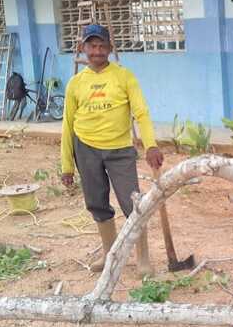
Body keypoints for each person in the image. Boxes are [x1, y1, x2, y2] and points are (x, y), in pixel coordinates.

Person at [60, 24, 163, 278]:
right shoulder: (76, 83)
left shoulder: (124, 76)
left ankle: (143, 258)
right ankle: (109, 254)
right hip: (86, 148)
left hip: (119, 149)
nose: (97, 51)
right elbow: (67, 124)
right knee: (97, 204)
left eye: (102, 46)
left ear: (109, 48)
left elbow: (141, 112)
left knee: (133, 204)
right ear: (83, 48)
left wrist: (150, 144)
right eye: (92, 46)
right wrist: (66, 166)